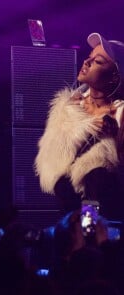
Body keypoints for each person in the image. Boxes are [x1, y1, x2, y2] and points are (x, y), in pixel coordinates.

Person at [35, 32, 124, 220]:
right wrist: (84, 130)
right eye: (89, 57)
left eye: (98, 61)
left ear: (115, 76)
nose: (87, 62)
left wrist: (116, 140)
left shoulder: (120, 113)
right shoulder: (68, 109)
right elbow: (52, 162)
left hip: (110, 219)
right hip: (70, 217)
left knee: (96, 178)